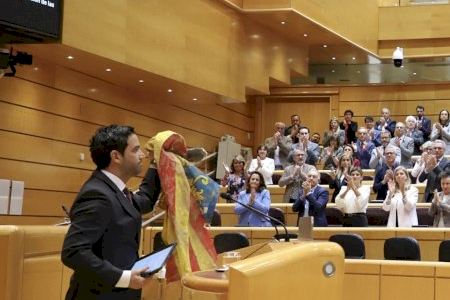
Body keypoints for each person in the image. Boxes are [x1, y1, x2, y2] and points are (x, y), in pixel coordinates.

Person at [61, 125, 161, 300]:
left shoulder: (115, 189)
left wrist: (157, 163)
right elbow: (73, 252)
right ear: (116, 156)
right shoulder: (98, 194)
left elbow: (144, 202)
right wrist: (123, 278)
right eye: (136, 150)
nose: (142, 155)